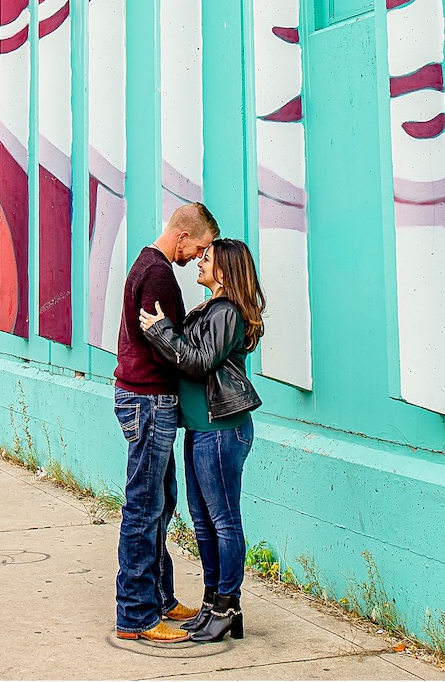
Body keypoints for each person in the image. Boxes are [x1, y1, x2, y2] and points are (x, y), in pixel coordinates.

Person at [140, 238, 265, 644]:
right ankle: (213, 602)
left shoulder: (227, 312)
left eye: (206, 259)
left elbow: (198, 361)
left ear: (225, 271)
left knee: (224, 522)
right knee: (204, 523)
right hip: (201, 430)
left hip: (222, 431)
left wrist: (161, 332)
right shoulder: (211, 309)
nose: (199, 263)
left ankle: (229, 606)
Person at [112, 202, 220, 645]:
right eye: (199, 247)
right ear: (181, 235)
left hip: (147, 399)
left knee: (161, 500)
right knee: (144, 506)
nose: (199, 256)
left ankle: (160, 596)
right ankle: (136, 615)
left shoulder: (148, 264)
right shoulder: (157, 273)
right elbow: (165, 346)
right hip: (149, 400)